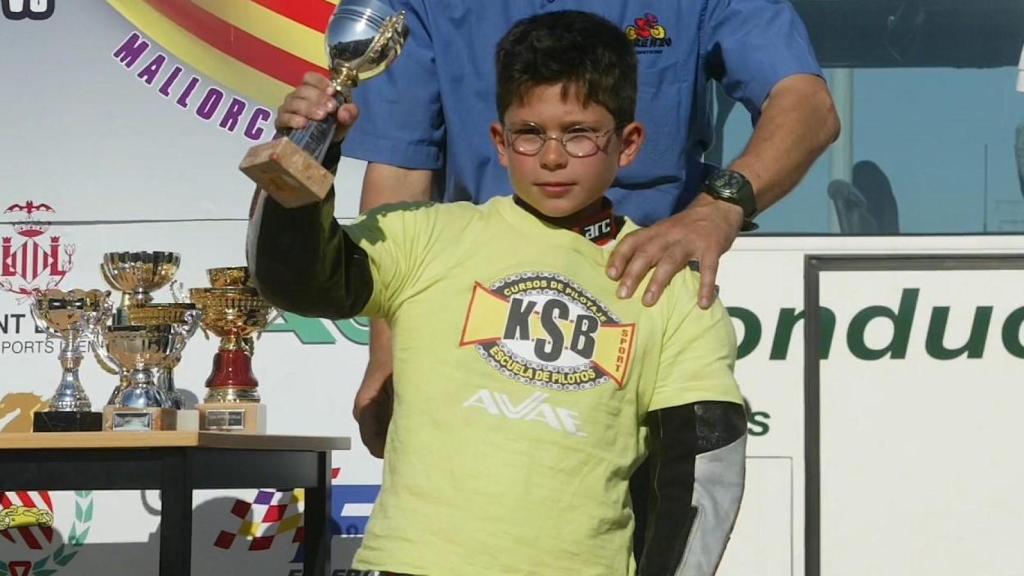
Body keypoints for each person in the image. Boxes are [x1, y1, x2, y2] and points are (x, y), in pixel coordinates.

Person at [249, 11, 747, 575]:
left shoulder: (669, 284)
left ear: (628, 144)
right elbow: (296, 276)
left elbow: (701, 469)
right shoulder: (428, 235)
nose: (553, 156)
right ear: (500, 142)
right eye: (530, 133)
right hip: (411, 565)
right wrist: (307, 151)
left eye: (580, 133)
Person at [298, 0, 840, 458]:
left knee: (647, 527)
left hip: (639, 311)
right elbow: (401, 173)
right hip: (477, 323)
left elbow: (806, 106)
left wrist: (717, 209)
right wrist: (389, 356)